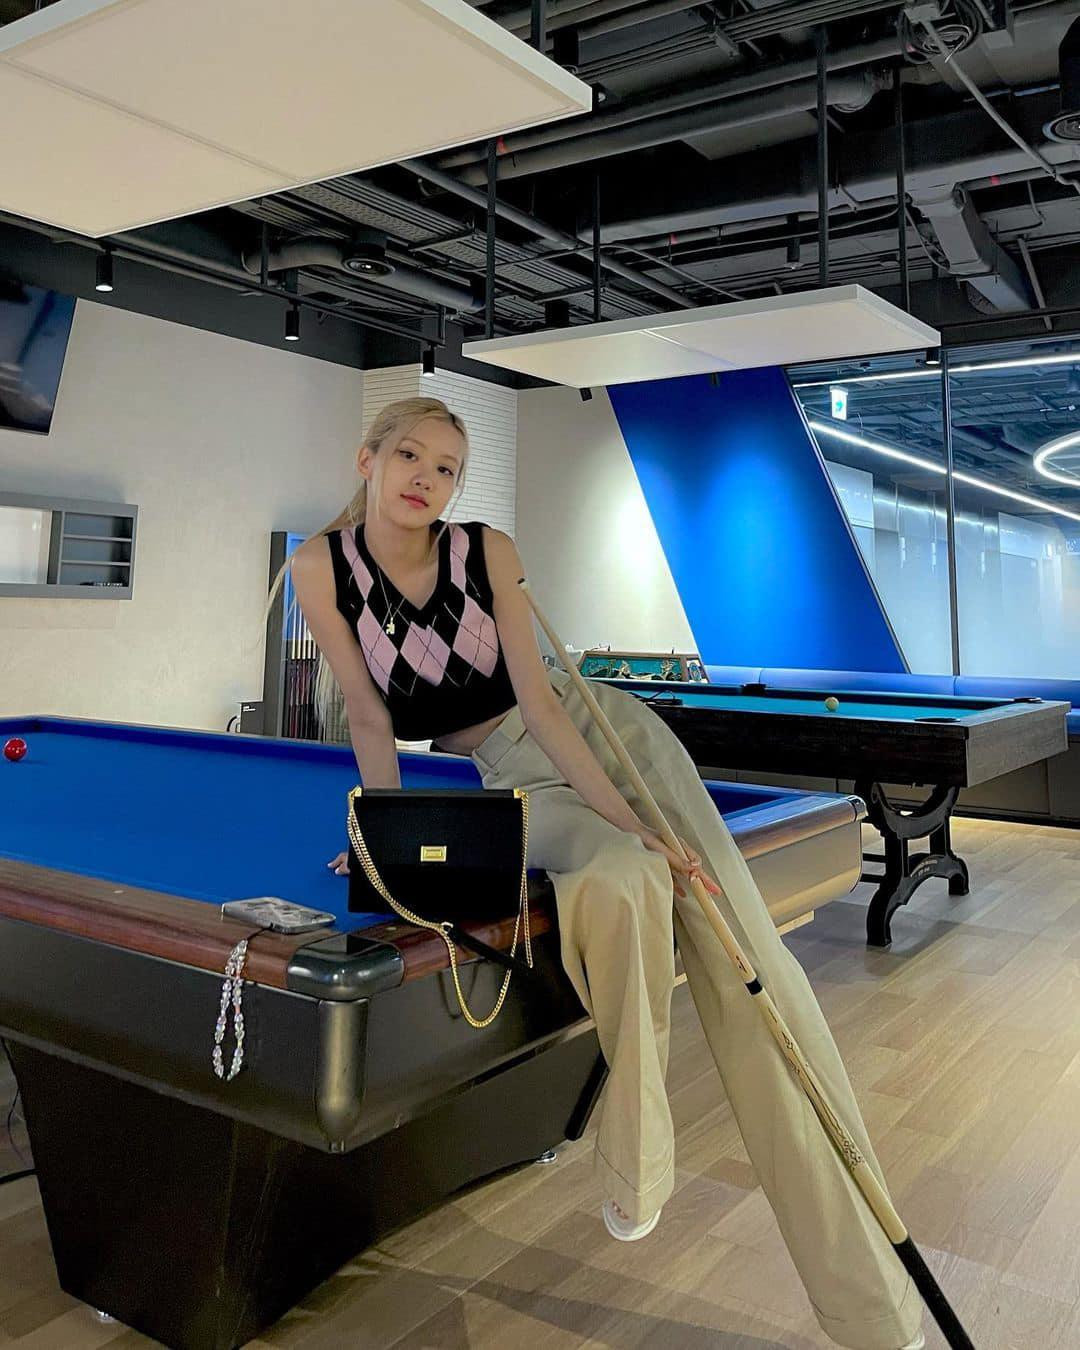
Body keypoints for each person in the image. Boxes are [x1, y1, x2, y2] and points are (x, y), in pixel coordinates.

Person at [284, 396, 924, 1350]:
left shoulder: (483, 551)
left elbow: (545, 708)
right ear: (366, 459)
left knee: (753, 980)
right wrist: (389, 835)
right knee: (619, 879)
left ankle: (874, 1311)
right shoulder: (319, 568)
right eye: (409, 455)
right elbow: (371, 716)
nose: (427, 478)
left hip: (611, 747)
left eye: (448, 467)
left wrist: (645, 823)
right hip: (506, 773)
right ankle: (639, 1154)